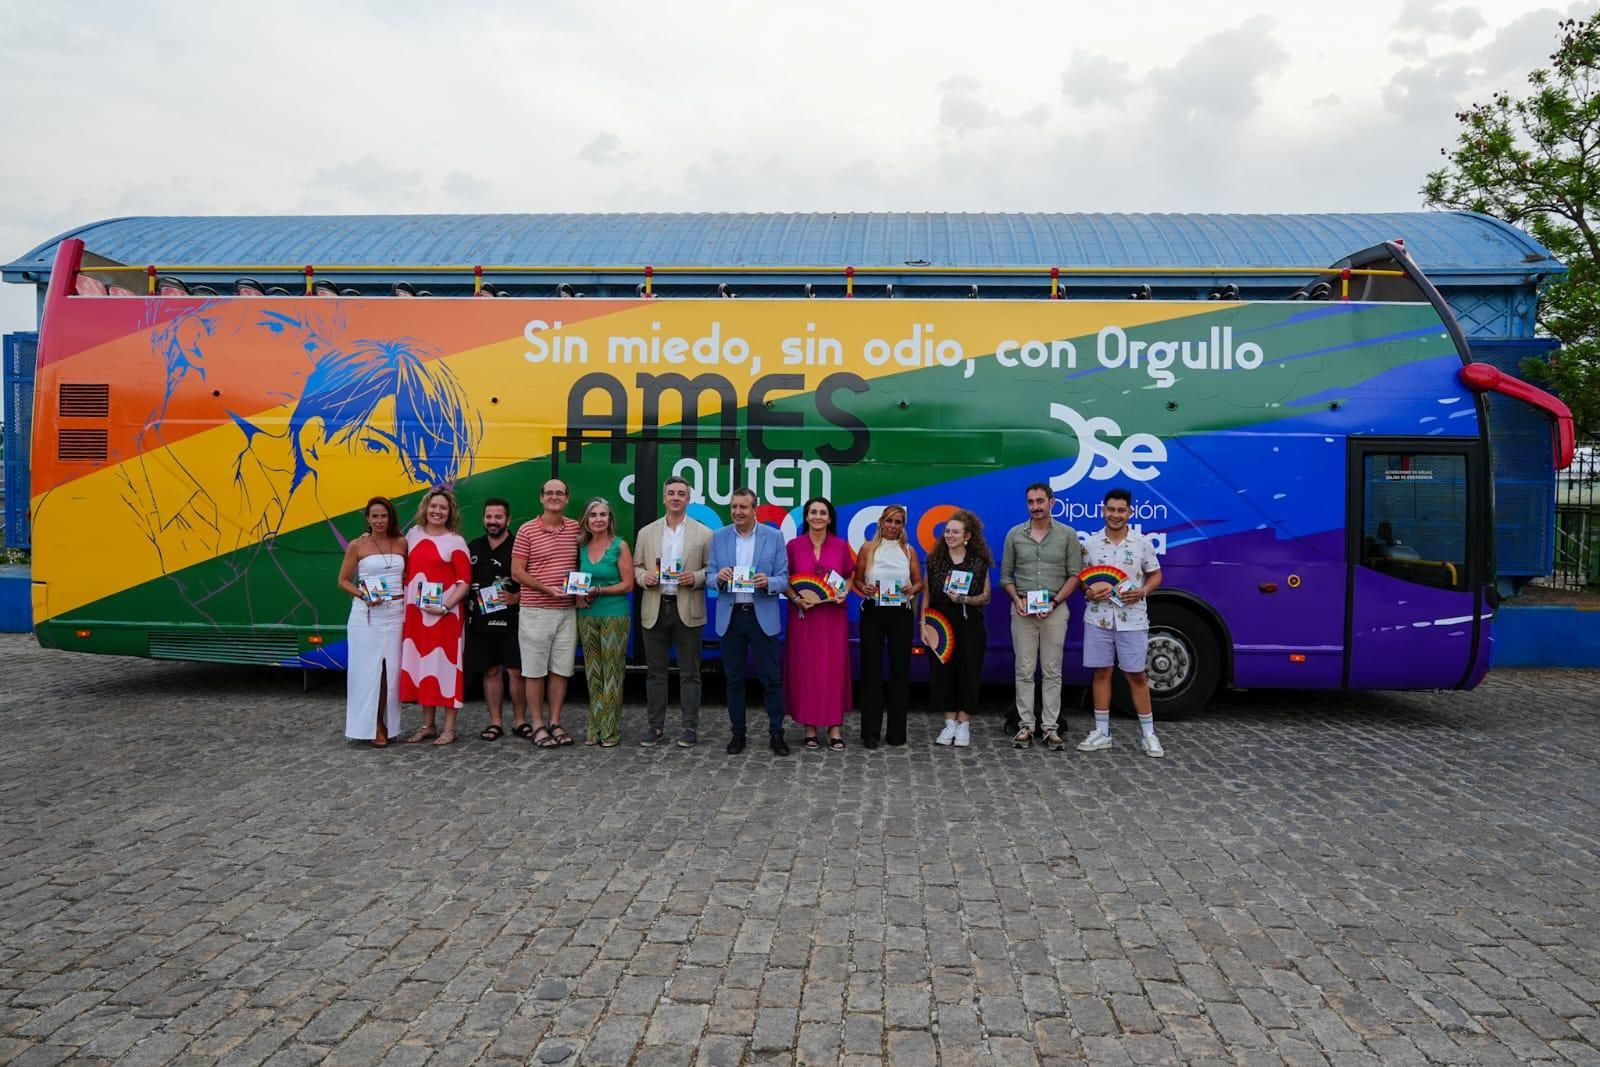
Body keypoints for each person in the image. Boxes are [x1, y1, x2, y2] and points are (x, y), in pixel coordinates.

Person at [1077, 487, 1167, 757]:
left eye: (1121, 510)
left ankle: (1149, 735)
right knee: (1101, 672)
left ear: (1130, 512)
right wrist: (1089, 591)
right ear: (1103, 510)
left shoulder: (1141, 543)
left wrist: (1142, 591)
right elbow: (1082, 579)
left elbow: (1156, 575)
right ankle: (1102, 733)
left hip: (1133, 619)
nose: (1115, 515)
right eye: (1111, 509)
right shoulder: (1090, 544)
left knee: (1136, 675)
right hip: (1098, 618)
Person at [1000, 483, 1083, 751]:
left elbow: (1074, 575)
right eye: (1031, 502)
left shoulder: (1068, 535)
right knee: (1023, 670)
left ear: (1051, 502)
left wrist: (1056, 601)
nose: (1035, 507)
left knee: (1052, 671)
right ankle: (1025, 726)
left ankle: (1050, 728)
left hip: (1055, 610)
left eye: (1040, 501)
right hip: (1022, 610)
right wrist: (1016, 599)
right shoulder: (1014, 535)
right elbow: (1005, 577)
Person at [709, 488, 791, 755]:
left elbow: (784, 578)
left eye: (743, 507)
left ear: (755, 510)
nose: (737, 512)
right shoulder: (719, 537)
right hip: (731, 617)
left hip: (761, 616)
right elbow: (709, 576)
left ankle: (777, 733)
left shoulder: (774, 537)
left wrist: (769, 582)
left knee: (771, 679)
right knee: (733, 680)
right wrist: (718, 577)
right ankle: (738, 734)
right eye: (734, 507)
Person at [633, 476, 712, 747]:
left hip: (687, 607)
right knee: (656, 672)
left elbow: (711, 571)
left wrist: (697, 577)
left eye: (681, 493)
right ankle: (655, 727)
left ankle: (689, 728)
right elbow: (637, 567)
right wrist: (645, 579)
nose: (676, 497)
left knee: (690, 672)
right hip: (655, 606)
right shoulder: (647, 532)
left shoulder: (704, 533)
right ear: (664, 498)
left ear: (689, 499)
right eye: (671, 493)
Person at [511, 478, 582, 748]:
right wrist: (547, 589)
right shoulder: (527, 530)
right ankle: (538, 724)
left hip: (566, 612)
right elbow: (517, 572)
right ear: (541, 498)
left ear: (566, 498)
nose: (554, 497)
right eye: (549, 493)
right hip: (536, 610)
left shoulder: (575, 528)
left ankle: (555, 721)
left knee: (561, 670)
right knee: (534, 671)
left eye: (559, 493)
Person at [400, 488, 472, 746]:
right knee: (423, 668)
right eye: (433, 507)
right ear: (425, 509)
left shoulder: (456, 541)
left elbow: (464, 582)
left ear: (450, 512)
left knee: (446, 668)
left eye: (443, 507)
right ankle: (427, 725)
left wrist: (444, 606)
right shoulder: (413, 535)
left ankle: (449, 728)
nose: (437, 511)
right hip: (417, 618)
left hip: (446, 618)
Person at [785, 496, 855, 751]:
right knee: (807, 671)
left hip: (832, 617)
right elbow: (785, 580)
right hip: (804, 617)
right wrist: (796, 599)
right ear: (806, 517)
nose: (817, 517)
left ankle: (835, 728)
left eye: (822, 513)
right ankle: (810, 728)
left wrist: (845, 592)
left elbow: (850, 575)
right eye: (813, 512)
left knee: (832, 670)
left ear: (829, 518)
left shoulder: (840, 545)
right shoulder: (793, 546)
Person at [337, 497, 407, 747]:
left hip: (396, 613)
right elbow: (343, 580)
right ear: (367, 518)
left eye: (383, 516)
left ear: (391, 518)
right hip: (366, 616)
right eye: (374, 516)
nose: (379, 520)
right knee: (368, 673)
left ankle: (388, 722)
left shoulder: (402, 542)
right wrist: (363, 595)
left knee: (391, 674)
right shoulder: (357, 545)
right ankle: (373, 725)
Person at [852, 505, 924, 748]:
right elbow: (858, 579)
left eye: (898, 522)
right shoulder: (868, 548)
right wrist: (865, 589)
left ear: (903, 525)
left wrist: (912, 589)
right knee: (871, 671)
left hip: (901, 614)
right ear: (881, 522)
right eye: (889, 521)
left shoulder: (909, 551)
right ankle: (870, 733)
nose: (893, 526)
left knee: (899, 672)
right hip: (872, 612)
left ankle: (896, 732)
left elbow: (919, 582)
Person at [923, 510, 992, 748]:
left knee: (969, 671)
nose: (950, 535)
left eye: (955, 532)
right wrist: (923, 623)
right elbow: (926, 594)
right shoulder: (934, 561)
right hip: (940, 621)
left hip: (969, 621)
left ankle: (964, 724)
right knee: (943, 672)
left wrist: (963, 600)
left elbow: (986, 596)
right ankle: (949, 722)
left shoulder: (978, 562)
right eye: (947, 531)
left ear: (967, 536)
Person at [465, 498, 528, 741]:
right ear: (483, 519)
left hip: (514, 620)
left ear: (508, 520)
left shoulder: (519, 546)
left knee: (516, 672)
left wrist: (517, 597)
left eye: (498, 517)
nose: (493, 522)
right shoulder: (473, 547)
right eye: (489, 517)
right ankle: (496, 723)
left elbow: (535, 580)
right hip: (481, 622)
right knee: (491, 672)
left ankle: (521, 721)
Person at [575, 498, 635, 747]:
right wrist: (578, 596)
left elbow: (628, 584)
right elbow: (575, 580)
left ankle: (610, 731)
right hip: (587, 615)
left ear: (610, 519)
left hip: (615, 614)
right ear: (586, 520)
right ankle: (594, 727)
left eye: (603, 515)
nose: (598, 519)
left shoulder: (619, 546)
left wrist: (599, 590)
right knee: (593, 673)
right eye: (593, 515)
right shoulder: (580, 546)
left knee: (612, 673)